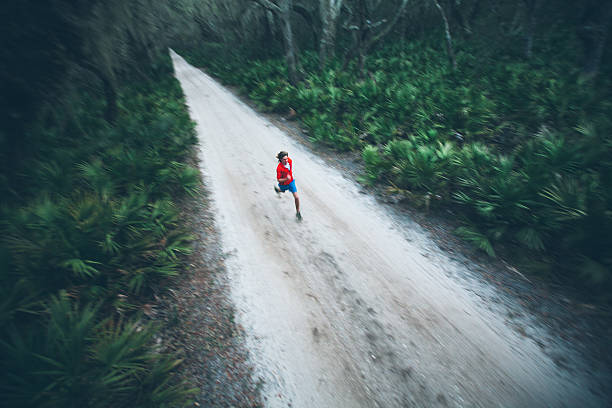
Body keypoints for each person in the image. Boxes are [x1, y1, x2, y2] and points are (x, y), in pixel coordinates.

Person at [274, 150, 302, 220]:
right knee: (282, 190)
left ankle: (298, 212)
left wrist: (288, 179)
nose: (286, 160)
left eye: (287, 158)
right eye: (284, 159)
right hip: (283, 184)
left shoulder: (289, 161)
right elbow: (278, 179)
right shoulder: (279, 168)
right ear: (280, 160)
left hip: (291, 182)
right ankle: (278, 190)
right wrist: (286, 179)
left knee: (296, 197)